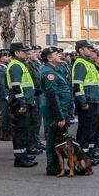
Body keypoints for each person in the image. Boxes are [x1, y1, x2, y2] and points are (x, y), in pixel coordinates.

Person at [39, 46, 75, 176]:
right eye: (56, 54)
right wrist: (59, 116)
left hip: (60, 109)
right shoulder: (49, 73)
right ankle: (52, 167)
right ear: (49, 59)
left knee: (58, 138)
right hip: (54, 111)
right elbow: (52, 96)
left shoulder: (54, 70)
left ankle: (57, 166)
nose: (59, 55)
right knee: (53, 138)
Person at [4, 42, 37, 168]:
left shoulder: (20, 64)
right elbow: (16, 86)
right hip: (19, 103)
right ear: (17, 52)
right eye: (24, 51)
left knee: (24, 130)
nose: (26, 53)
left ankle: (23, 154)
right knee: (20, 131)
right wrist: (22, 103)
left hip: (25, 102)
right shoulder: (16, 66)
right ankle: (20, 158)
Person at [71, 40, 99, 165]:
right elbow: (78, 85)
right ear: (81, 50)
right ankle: (83, 158)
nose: (90, 50)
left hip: (94, 101)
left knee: (91, 130)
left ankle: (89, 154)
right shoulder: (80, 63)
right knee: (85, 130)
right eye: (88, 48)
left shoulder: (89, 63)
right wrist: (83, 102)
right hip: (87, 102)